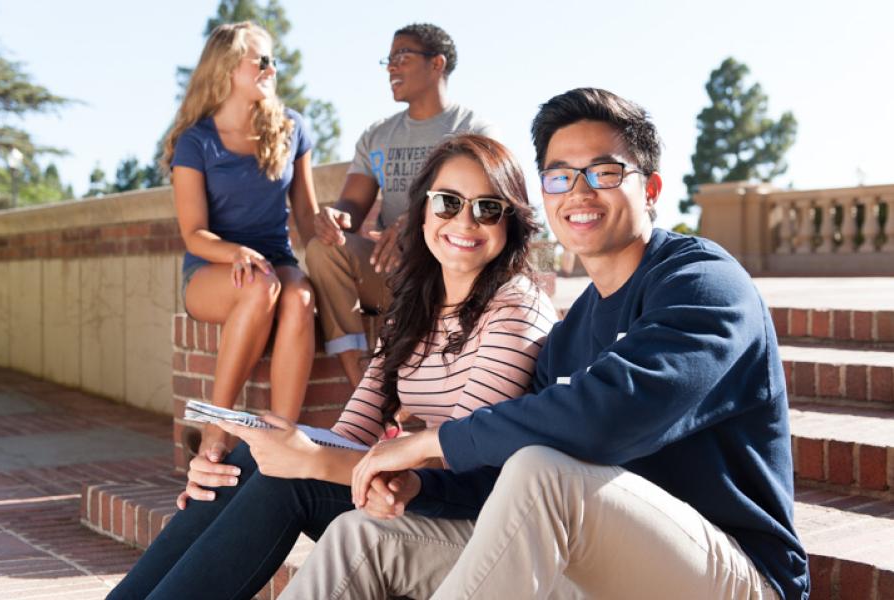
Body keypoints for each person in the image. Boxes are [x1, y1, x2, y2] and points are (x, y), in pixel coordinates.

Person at [289, 88, 810, 600]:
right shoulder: (570, 335)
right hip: (595, 564)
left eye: (604, 173)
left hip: (733, 575)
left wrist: (429, 443)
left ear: (650, 189)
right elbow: (498, 478)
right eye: (560, 176)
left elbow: (608, 414)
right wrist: (422, 486)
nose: (578, 193)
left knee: (544, 472)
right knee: (363, 536)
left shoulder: (704, 283)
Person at [106, 134, 557, 600]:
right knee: (247, 460)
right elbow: (351, 431)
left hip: (476, 513)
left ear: (511, 223)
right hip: (415, 489)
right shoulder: (418, 306)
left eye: (487, 208)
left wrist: (312, 459)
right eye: (447, 202)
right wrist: (263, 460)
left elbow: (460, 452)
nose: (464, 220)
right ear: (422, 212)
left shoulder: (516, 308)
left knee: (291, 479)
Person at [306, 23, 496, 389]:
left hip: (450, 274)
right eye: (388, 60)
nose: (391, 68)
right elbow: (352, 205)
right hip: (393, 270)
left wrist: (417, 223)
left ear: (436, 64)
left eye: (402, 57)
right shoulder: (377, 135)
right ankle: (362, 384)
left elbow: (484, 206)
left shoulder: (473, 129)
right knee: (324, 250)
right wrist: (335, 216)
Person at [164, 21, 319, 470]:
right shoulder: (196, 142)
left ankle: (281, 440)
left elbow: (306, 219)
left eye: (274, 59)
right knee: (259, 285)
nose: (272, 68)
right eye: (262, 59)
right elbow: (194, 232)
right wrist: (235, 253)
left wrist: (334, 230)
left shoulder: (293, 130)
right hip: (212, 268)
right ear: (229, 66)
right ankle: (218, 424)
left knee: (300, 295)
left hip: (275, 259)